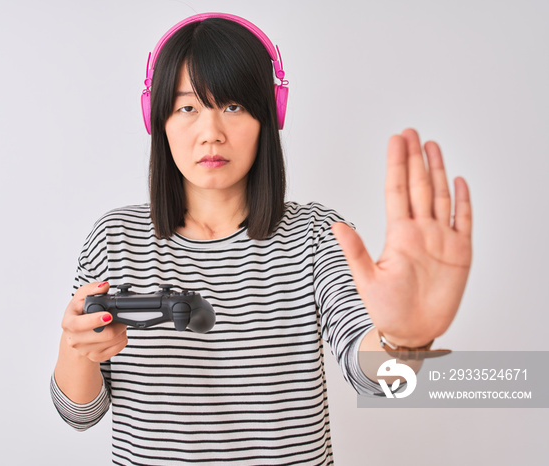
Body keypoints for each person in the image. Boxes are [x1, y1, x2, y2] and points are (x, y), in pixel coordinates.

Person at [51, 13, 472, 465]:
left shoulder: (315, 236)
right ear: (158, 120)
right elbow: (80, 414)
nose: (211, 132)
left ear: (270, 114)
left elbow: (377, 377)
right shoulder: (116, 238)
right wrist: (77, 348)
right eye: (187, 107)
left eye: (232, 106)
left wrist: (404, 338)